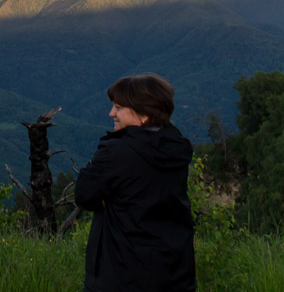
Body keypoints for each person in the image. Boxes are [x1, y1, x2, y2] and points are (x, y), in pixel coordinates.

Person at [75, 73, 196, 292]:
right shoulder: (177, 148)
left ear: (144, 115)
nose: (112, 113)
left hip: (121, 276)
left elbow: (83, 193)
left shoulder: (116, 152)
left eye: (119, 107)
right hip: (175, 273)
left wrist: (110, 202)